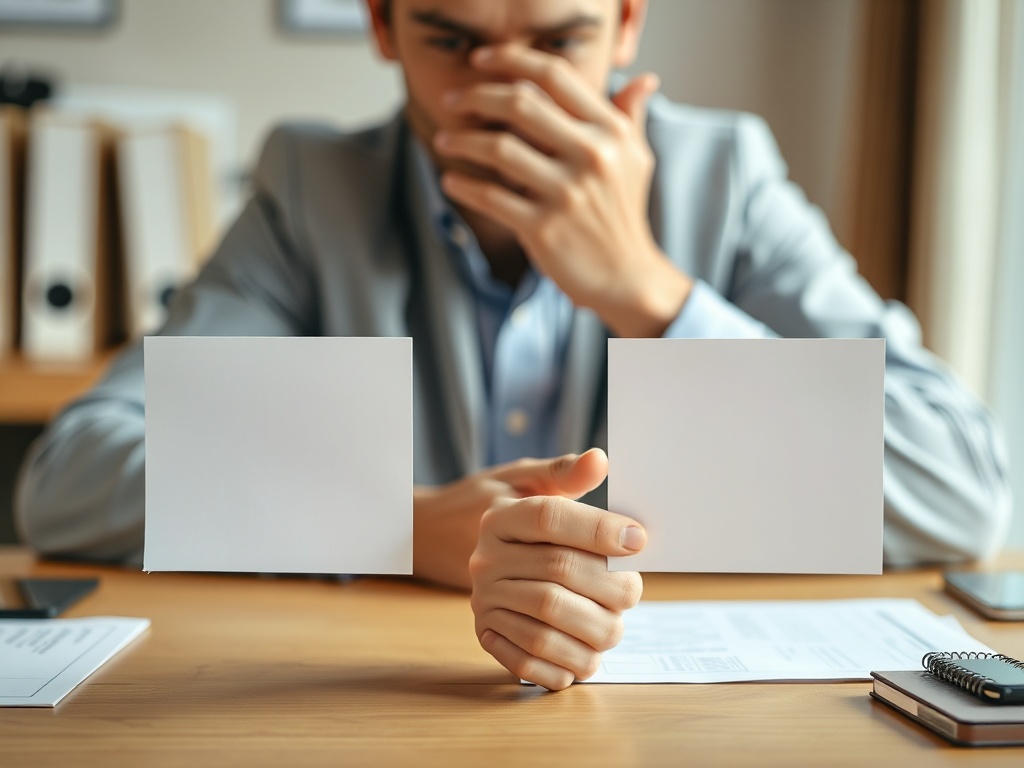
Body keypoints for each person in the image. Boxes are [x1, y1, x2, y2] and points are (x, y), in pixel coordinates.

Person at [15, 0, 1011, 691]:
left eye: (558, 39)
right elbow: (71, 476)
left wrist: (645, 289)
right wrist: (397, 527)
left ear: (625, 22)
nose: (507, 93)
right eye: (451, 39)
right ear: (381, 25)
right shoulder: (313, 190)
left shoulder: (726, 177)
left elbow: (960, 488)